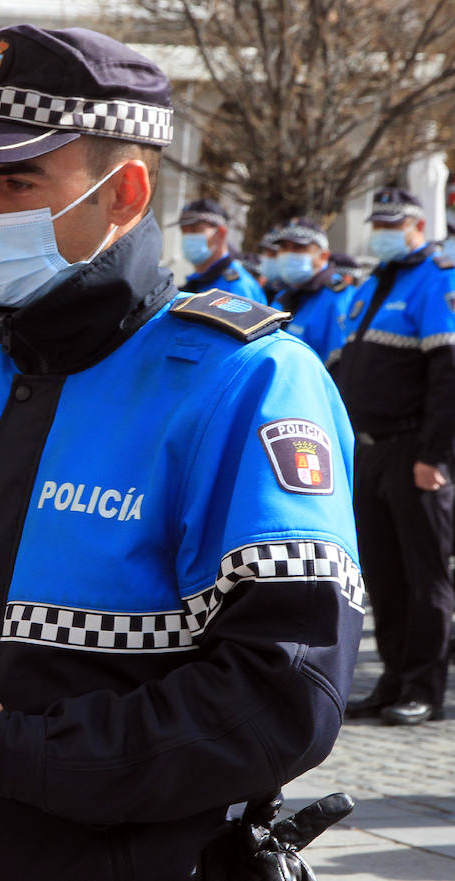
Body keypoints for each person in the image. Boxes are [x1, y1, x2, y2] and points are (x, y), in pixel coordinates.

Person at [0, 25, 363, 880]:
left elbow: (284, 696)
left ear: (124, 193)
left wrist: (14, 752)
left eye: (18, 178)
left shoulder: (245, 381)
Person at [332, 186, 455, 726]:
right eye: (377, 221)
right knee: (384, 576)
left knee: (425, 578)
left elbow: (447, 377)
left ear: (418, 227)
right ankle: (392, 679)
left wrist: (435, 456)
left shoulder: (437, 279)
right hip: (372, 451)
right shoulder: (373, 285)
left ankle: (424, 688)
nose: (382, 230)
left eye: (394, 223)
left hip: (413, 450)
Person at [270, 217, 357, 364]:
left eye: (298, 248)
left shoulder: (338, 297)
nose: (288, 254)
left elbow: (338, 363)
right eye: (284, 248)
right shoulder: (284, 293)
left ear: (323, 256)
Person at [174, 198, 268, 304]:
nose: (188, 237)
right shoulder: (199, 281)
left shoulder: (236, 287)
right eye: (184, 231)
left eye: (195, 230)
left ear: (221, 233)